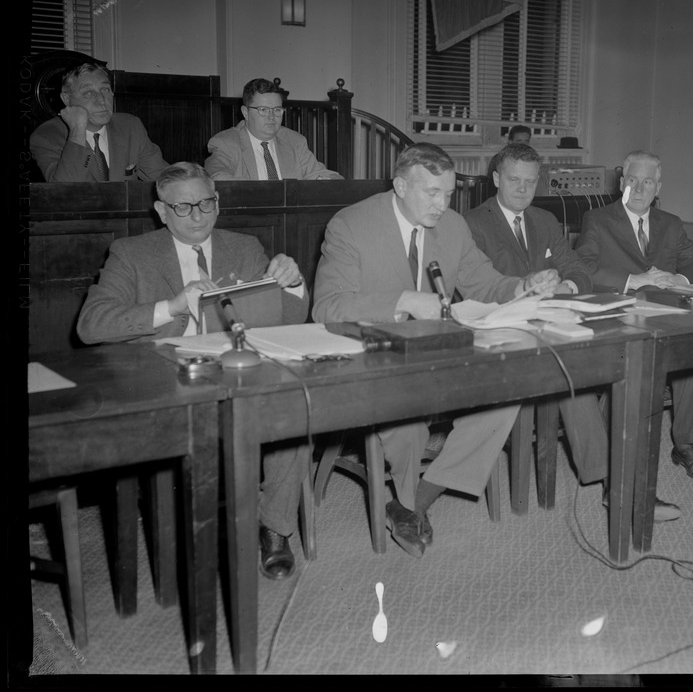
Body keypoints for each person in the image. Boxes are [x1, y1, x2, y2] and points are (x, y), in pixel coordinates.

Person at [312, 143, 560, 557]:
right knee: (408, 414)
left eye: (448, 194)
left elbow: (484, 282)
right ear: (400, 185)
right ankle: (410, 504)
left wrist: (524, 285)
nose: (442, 204)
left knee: (507, 390)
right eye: (431, 193)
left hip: (435, 349)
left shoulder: (453, 226)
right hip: (376, 352)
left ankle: (413, 501)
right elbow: (327, 306)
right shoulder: (350, 225)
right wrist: (403, 300)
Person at [76, 162, 311, 581]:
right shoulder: (132, 254)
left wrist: (292, 282)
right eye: (183, 207)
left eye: (205, 202)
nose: (198, 214)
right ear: (161, 211)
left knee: (293, 407)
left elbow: (285, 317)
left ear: (217, 203)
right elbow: (91, 325)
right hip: (167, 377)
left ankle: (275, 528)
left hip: (238, 371)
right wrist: (172, 306)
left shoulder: (244, 246)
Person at [465, 144, 679, 519]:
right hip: (504, 329)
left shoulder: (544, 220)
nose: (522, 189)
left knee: (620, 358)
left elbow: (578, 269)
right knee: (573, 372)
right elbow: (475, 289)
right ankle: (616, 486)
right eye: (514, 180)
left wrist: (567, 288)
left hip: (554, 320)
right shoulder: (472, 224)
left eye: (530, 182)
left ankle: (617, 479)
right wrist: (527, 287)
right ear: (496, 179)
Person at [575, 150, 693, 481]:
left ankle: (686, 445)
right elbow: (584, 268)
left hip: (665, 312)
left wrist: (678, 279)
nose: (639, 188)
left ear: (658, 187)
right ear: (622, 182)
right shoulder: (597, 219)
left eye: (647, 181)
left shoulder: (671, 224)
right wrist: (633, 280)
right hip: (620, 311)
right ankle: (613, 450)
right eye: (632, 180)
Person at [30, 63, 168, 182]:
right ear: (66, 99)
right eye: (89, 93)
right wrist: (77, 130)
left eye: (105, 89)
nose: (102, 100)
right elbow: (65, 193)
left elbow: (165, 177)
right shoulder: (47, 136)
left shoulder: (130, 126)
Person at [205, 78, 344, 180]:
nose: (271, 117)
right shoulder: (226, 143)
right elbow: (217, 178)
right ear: (245, 112)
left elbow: (326, 176)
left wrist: (327, 182)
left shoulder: (295, 141)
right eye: (263, 110)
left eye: (277, 110)